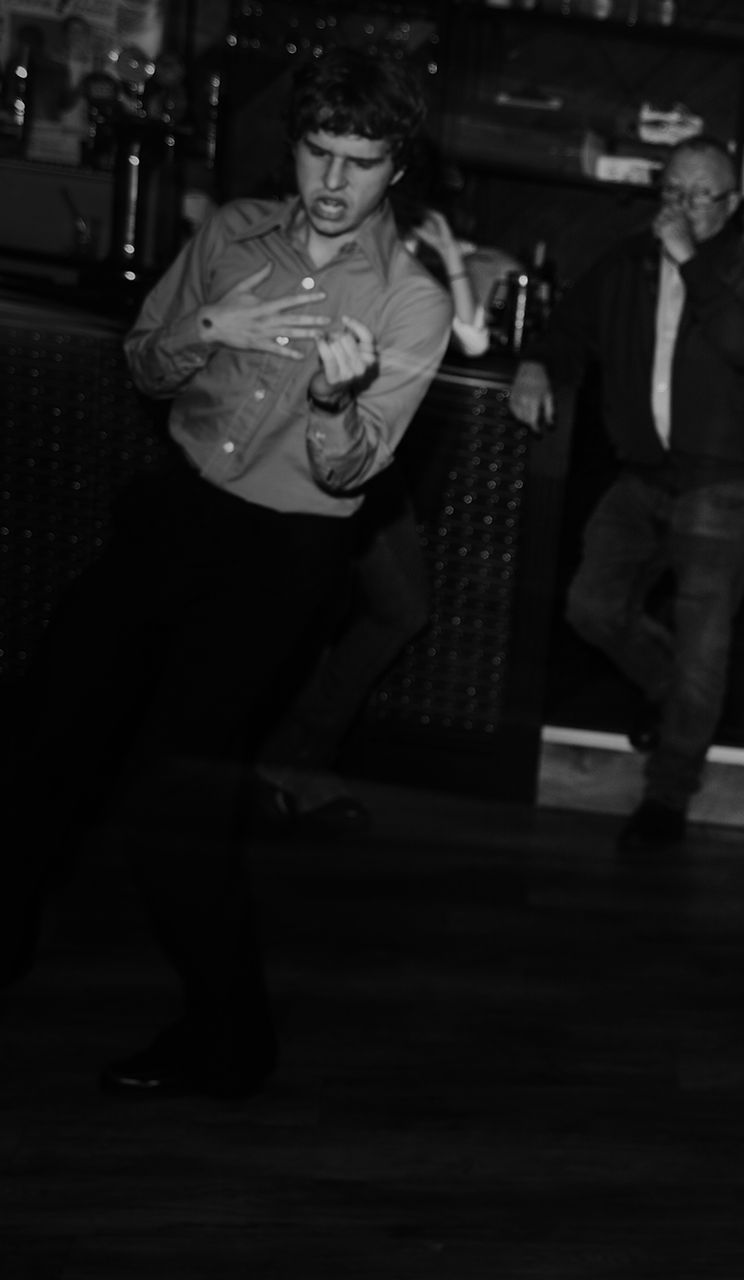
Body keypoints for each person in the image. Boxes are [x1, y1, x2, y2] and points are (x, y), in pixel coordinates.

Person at [0, 47, 450, 1098]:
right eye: (319, 151)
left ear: (397, 168)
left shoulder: (408, 302)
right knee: (43, 733)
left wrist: (338, 401)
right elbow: (145, 362)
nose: (334, 182)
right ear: (294, 145)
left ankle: (230, 1033)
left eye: (363, 160)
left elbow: (354, 473)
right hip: (173, 511)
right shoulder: (232, 232)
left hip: (283, 557)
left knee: (175, 797)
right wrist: (211, 327)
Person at [509, 136, 744, 851]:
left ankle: (667, 794)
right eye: (673, 193)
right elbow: (566, 331)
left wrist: (691, 260)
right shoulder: (627, 262)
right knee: (590, 605)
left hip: (724, 481)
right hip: (643, 475)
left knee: (704, 644)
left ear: (731, 203)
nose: (683, 207)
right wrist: (537, 366)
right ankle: (674, 701)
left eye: (700, 195)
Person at [253, 169, 519, 834]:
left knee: (379, 612)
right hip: (320, 460)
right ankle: (285, 763)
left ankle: (289, 762)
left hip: (377, 470)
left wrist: (454, 256)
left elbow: (478, 341)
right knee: (359, 612)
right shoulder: (343, 256)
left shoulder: (412, 269)